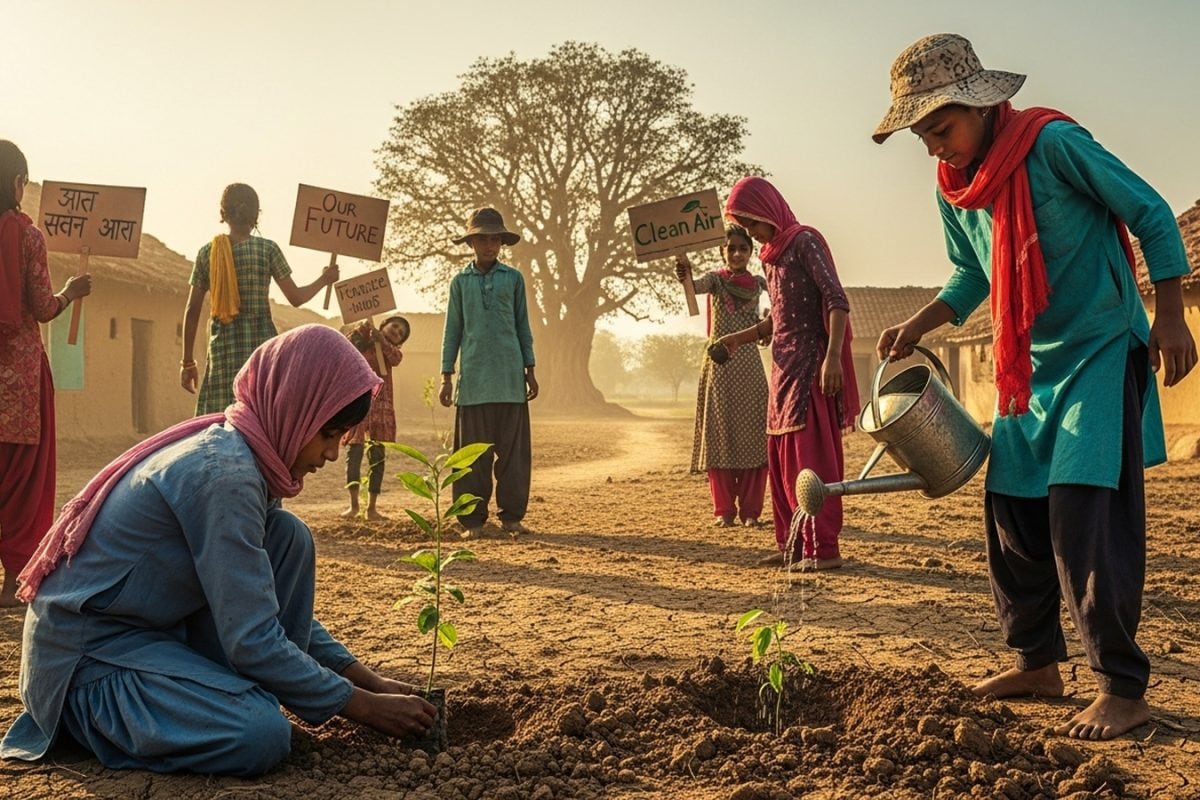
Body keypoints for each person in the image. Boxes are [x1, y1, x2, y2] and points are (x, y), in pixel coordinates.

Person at [871, 33, 1197, 741]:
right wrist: (920, 320)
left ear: (982, 106)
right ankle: (1037, 663)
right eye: (921, 137)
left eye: (940, 129)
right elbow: (971, 274)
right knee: (1011, 513)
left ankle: (1121, 686)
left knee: (1084, 514)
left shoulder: (1054, 145)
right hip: (1030, 367)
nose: (933, 148)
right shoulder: (955, 191)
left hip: (1101, 348)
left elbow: (1147, 210)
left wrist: (1169, 316)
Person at [1, 325, 437, 775]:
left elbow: (256, 604)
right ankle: (97, 725)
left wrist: (367, 680)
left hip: (155, 634)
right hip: (91, 660)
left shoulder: (247, 456)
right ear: (293, 408)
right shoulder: (224, 477)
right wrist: (364, 707)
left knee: (287, 537)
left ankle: (212, 697)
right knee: (260, 734)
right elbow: (252, 639)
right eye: (328, 433)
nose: (330, 453)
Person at [714, 177, 860, 571]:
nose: (754, 234)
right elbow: (776, 320)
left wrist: (832, 359)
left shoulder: (804, 241)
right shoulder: (770, 256)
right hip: (781, 371)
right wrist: (735, 340)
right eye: (746, 227)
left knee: (810, 461)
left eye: (754, 224)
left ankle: (822, 549)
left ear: (769, 210)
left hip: (811, 367)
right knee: (780, 462)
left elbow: (836, 301)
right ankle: (790, 545)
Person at [0, 141, 92, 607]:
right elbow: (41, 306)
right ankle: (13, 580)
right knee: (23, 481)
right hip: (20, 379)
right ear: (18, 184)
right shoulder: (28, 237)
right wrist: (72, 292)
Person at [181, 183, 339, 415]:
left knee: (222, 418)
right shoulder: (267, 250)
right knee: (262, 415)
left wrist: (187, 363)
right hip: (262, 351)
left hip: (223, 351)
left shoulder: (208, 253)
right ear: (256, 215)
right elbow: (295, 297)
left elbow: (192, 310)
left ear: (223, 213)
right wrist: (324, 280)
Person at [439, 207, 537, 538]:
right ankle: (472, 521)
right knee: (471, 460)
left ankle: (512, 518)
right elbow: (452, 330)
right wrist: (446, 376)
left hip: (510, 382)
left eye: (494, 239)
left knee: (514, 457)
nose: (489, 246)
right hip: (474, 386)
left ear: (501, 243)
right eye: (482, 239)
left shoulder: (513, 279)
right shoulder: (460, 282)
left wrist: (530, 368)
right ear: (471, 243)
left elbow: (523, 325)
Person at [674, 226, 769, 528]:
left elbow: (775, 315)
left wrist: (767, 324)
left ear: (751, 252)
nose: (737, 253)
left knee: (755, 437)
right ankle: (724, 510)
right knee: (720, 436)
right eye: (731, 248)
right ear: (722, 252)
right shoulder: (715, 280)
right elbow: (693, 288)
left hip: (751, 368)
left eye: (743, 248)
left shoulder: (760, 284)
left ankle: (752, 512)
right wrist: (684, 271)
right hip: (719, 366)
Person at [341, 315, 410, 521]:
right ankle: (353, 506)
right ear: (384, 324)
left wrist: (381, 340)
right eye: (395, 327)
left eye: (400, 334)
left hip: (381, 408)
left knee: (377, 458)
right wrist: (364, 329)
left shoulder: (392, 353)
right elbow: (347, 342)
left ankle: (372, 508)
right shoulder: (362, 340)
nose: (396, 332)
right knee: (354, 453)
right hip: (358, 402)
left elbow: (395, 359)